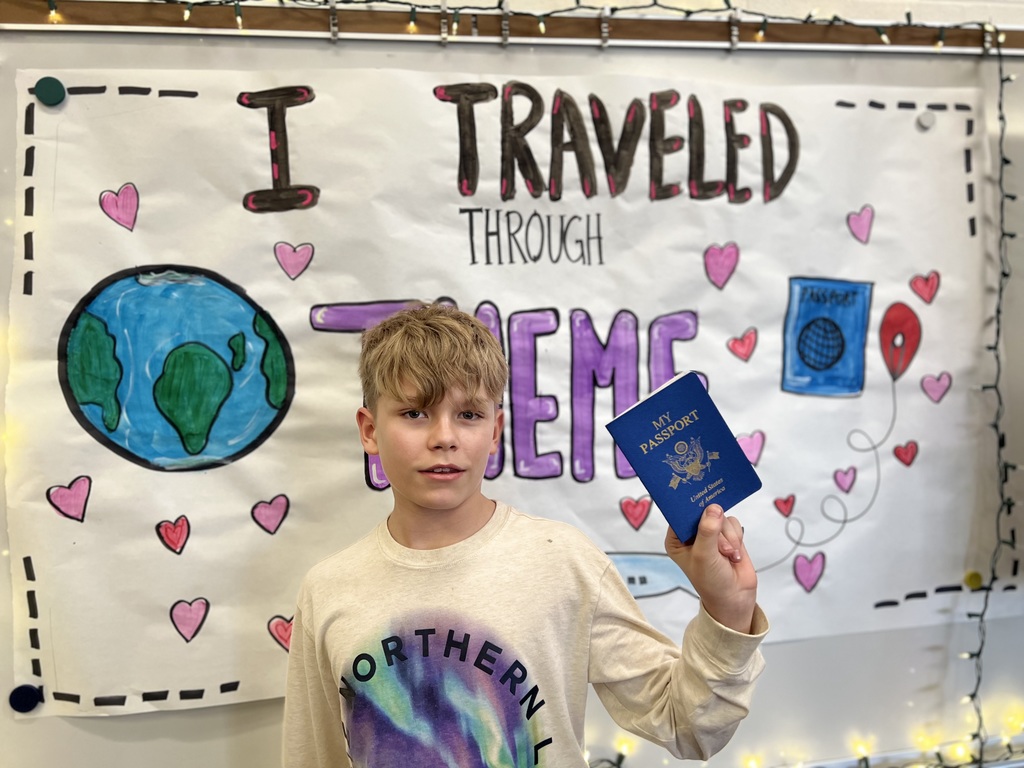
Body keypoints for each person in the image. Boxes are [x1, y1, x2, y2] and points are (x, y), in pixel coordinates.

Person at [283, 302, 768, 768]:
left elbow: (686, 725)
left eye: (469, 414)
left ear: (495, 432)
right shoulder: (328, 589)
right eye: (415, 413)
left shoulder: (564, 562)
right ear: (369, 430)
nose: (444, 437)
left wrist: (727, 610)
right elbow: (313, 757)